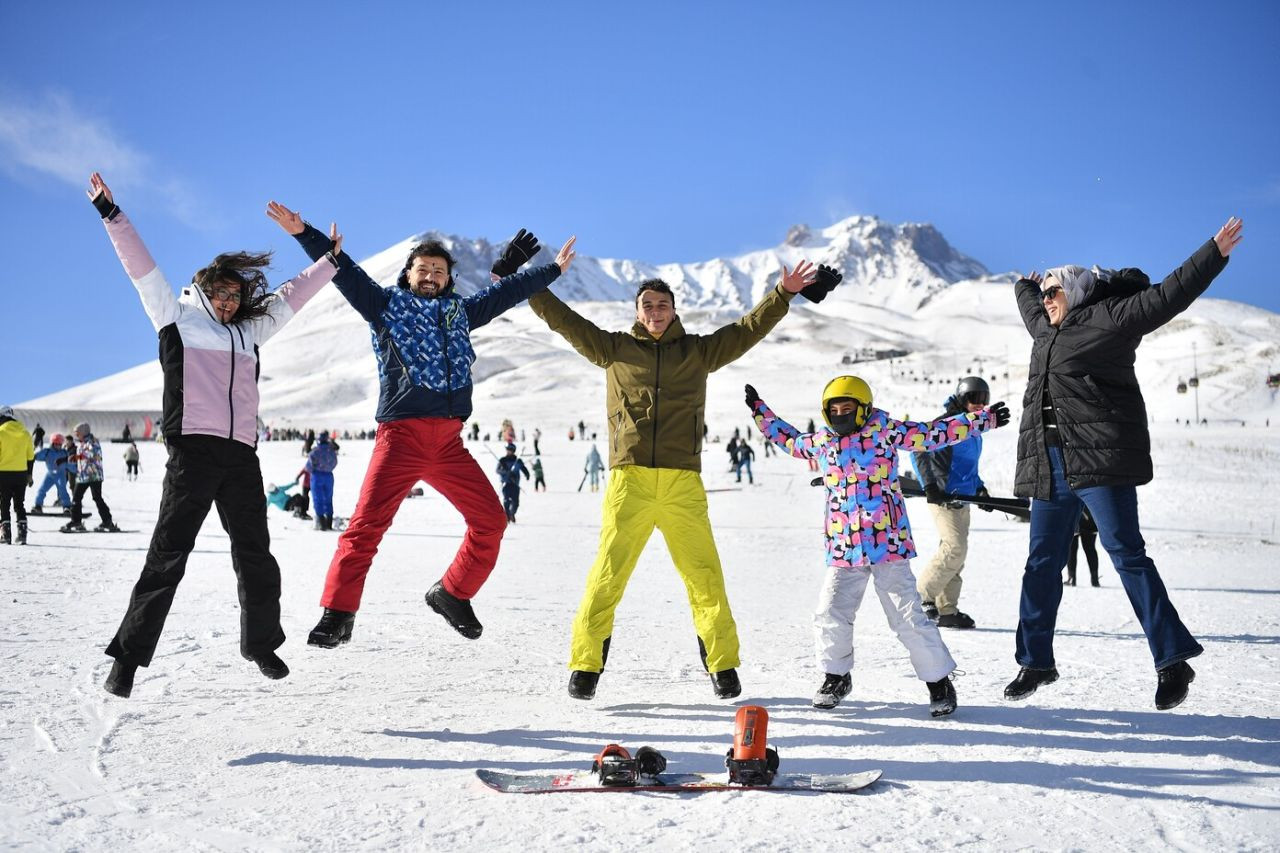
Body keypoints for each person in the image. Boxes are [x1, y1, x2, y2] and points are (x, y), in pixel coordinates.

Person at [528, 259, 842, 701]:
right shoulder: (613, 349)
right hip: (629, 482)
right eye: (647, 305)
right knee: (606, 576)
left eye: (662, 305)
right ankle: (585, 665)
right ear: (637, 312)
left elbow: (747, 329)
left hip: (682, 483)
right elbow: (564, 320)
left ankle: (723, 666)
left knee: (704, 576)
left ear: (674, 311)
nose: (655, 311)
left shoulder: (697, 352)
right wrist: (525, 285)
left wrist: (783, 294)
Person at [85, 173, 339, 698]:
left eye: (235, 296)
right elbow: (142, 269)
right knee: (168, 555)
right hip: (192, 453)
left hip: (241, 456)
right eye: (221, 294)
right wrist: (113, 214)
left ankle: (261, 643)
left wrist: (329, 260)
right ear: (205, 288)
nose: (228, 303)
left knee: (256, 553)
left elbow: (293, 296)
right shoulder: (175, 318)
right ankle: (127, 661)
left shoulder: (251, 330)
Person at [275, 207, 576, 647]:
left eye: (439, 270)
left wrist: (553, 270)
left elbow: (509, 291)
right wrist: (305, 234)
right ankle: (337, 613)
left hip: (449, 444)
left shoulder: (460, 312)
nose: (431, 275)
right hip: (401, 437)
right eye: (423, 269)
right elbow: (344, 271)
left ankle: (453, 593)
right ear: (408, 274)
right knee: (366, 527)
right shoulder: (385, 307)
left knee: (490, 521)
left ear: (449, 278)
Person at [1004, 216, 1243, 711]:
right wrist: (1025, 285)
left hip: (1098, 464)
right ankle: (1036, 661)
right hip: (1049, 466)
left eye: (1055, 291)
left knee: (1127, 555)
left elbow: (1166, 298)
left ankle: (1173, 659)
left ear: (1076, 290)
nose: (1047, 300)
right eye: (1044, 294)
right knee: (1041, 563)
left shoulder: (1108, 318)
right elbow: (1030, 304)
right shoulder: (1044, 329)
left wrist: (1212, 255)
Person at [747, 378, 1009, 716]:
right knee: (830, 614)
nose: (840, 414)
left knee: (907, 617)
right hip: (845, 548)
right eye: (834, 409)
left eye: (848, 408)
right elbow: (791, 441)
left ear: (864, 409)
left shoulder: (884, 430)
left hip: (888, 543)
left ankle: (938, 681)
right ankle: (836, 677)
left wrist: (981, 420)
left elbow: (930, 435)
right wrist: (760, 411)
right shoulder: (825, 441)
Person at [912, 376, 995, 628]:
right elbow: (919, 451)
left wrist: (980, 490)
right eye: (973, 398)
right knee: (954, 548)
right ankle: (920, 598)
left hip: (963, 497)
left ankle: (947, 610)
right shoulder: (947, 424)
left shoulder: (975, 430)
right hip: (944, 496)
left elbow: (966, 467)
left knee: (957, 553)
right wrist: (930, 486)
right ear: (961, 399)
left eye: (984, 399)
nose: (979, 404)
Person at [63, 422, 118, 534]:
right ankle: (76, 521)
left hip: (94, 475)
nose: (76, 435)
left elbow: (93, 454)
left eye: (77, 433)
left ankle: (107, 521)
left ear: (83, 432)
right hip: (83, 476)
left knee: (97, 498)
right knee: (76, 498)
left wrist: (78, 456)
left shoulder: (93, 441)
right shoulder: (81, 443)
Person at [0, 406, 35, 546]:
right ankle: (22, 535)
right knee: (19, 504)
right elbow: (30, 456)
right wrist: (29, 475)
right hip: (21, 474)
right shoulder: (25, 433)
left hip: (3, 473)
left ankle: (6, 535)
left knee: (4, 504)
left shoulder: (1, 432)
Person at [306, 431, 339, 530]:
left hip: (317, 476)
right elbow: (335, 462)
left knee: (318, 499)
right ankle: (329, 522)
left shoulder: (315, 451)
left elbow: (309, 466)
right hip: (329, 476)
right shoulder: (331, 451)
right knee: (328, 499)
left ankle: (322, 524)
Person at [31, 433, 72, 513]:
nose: (58, 446)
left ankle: (67, 506)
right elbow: (36, 456)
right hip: (50, 475)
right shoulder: (47, 452)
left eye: (60, 444)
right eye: (56, 444)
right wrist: (32, 455)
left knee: (62, 490)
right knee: (42, 489)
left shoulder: (64, 453)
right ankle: (38, 506)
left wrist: (74, 469)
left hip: (61, 475)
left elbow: (70, 463)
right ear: (52, 444)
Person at [1065, 506, 1099, 587]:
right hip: (1089, 516)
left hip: (1073, 515)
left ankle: (1071, 578)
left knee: (1071, 550)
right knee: (1090, 549)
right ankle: (1095, 579)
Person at [495, 443, 530, 523]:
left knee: (516, 502)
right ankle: (507, 515)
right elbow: (497, 470)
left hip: (515, 483)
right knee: (506, 500)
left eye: (510, 450)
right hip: (506, 483)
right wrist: (505, 472)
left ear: (513, 451)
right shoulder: (502, 460)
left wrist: (527, 474)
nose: (508, 451)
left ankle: (512, 513)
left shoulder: (518, 460)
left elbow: (523, 468)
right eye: (507, 449)